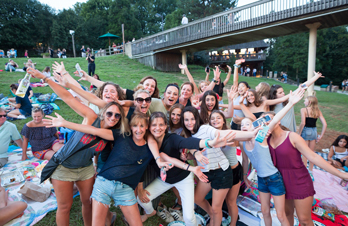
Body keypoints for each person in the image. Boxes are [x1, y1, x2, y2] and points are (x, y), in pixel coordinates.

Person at [27, 66, 128, 226]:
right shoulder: (91, 116)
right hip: (63, 166)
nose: (113, 117)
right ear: (104, 112)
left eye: (117, 115)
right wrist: (45, 78)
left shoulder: (112, 134)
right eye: (109, 113)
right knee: (65, 207)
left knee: (88, 202)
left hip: (86, 169)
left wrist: (94, 166)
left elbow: (96, 151)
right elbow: (68, 97)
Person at [137, 111, 235, 226]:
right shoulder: (147, 142)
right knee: (141, 199)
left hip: (183, 179)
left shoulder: (172, 138)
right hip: (165, 180)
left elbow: (186, 142)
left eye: (161, 125)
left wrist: (209, 143)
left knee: (188, 218)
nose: (157, 128)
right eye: (154, 125)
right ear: (149, 127)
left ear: (165, 126)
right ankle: (151, 213)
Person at [182, 106, 259, 226]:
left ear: (197, 119)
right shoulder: (188, 135)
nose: (189, 122)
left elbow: (226, 133)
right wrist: (189, 156)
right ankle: (213, 216)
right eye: (186, 120)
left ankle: (217, 218)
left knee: (218, 207)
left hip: (221, 172)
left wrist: (251, 134)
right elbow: (199, 151)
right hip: (207, 171)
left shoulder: (205, 129)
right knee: (197, 198)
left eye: (192, 119)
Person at [267, 112, 348, 226]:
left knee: (304, 219)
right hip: (280, 183)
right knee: (287, 214)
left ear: (278, 120)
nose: (267, 122)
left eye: (269, 119)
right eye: (263, 120)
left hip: (299, 180)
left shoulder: (292, 136)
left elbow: (313, 156)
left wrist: (341, 174)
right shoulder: (265, 139)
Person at [241, 89, 305, 226]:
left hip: (274, 178)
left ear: (254, 126)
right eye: (242, 125)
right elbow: (245, 160)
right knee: (264, 212)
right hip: (261, 179)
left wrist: (290, 104)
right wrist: (245, 176)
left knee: (281, 215)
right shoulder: (243, 141)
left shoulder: (260, 136)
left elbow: (275, 118)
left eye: (247, 124)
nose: (244, 127)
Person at [208, 111, 243, 226]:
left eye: (218, 118)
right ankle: (217, 219)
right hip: (220, 172)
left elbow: (232, 143)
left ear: (223, 121)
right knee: (220, 203)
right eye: (212, 118)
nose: (215, 120)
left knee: (231, 201)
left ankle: (233, 224)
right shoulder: (209, 135)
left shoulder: (229, 134)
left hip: (233, 171)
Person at [298, 96, 327, 174]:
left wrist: (299, 133)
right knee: (311, 152)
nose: (304, 102)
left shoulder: (303, 110)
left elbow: (303, 123)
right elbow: (325, 124)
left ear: (309, 102)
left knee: (305, 153)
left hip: (306, 131)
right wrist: (321, 136)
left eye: (305, 101)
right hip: (314, 131)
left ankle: (304, 172)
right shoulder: (318, 111)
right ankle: (310, 171)